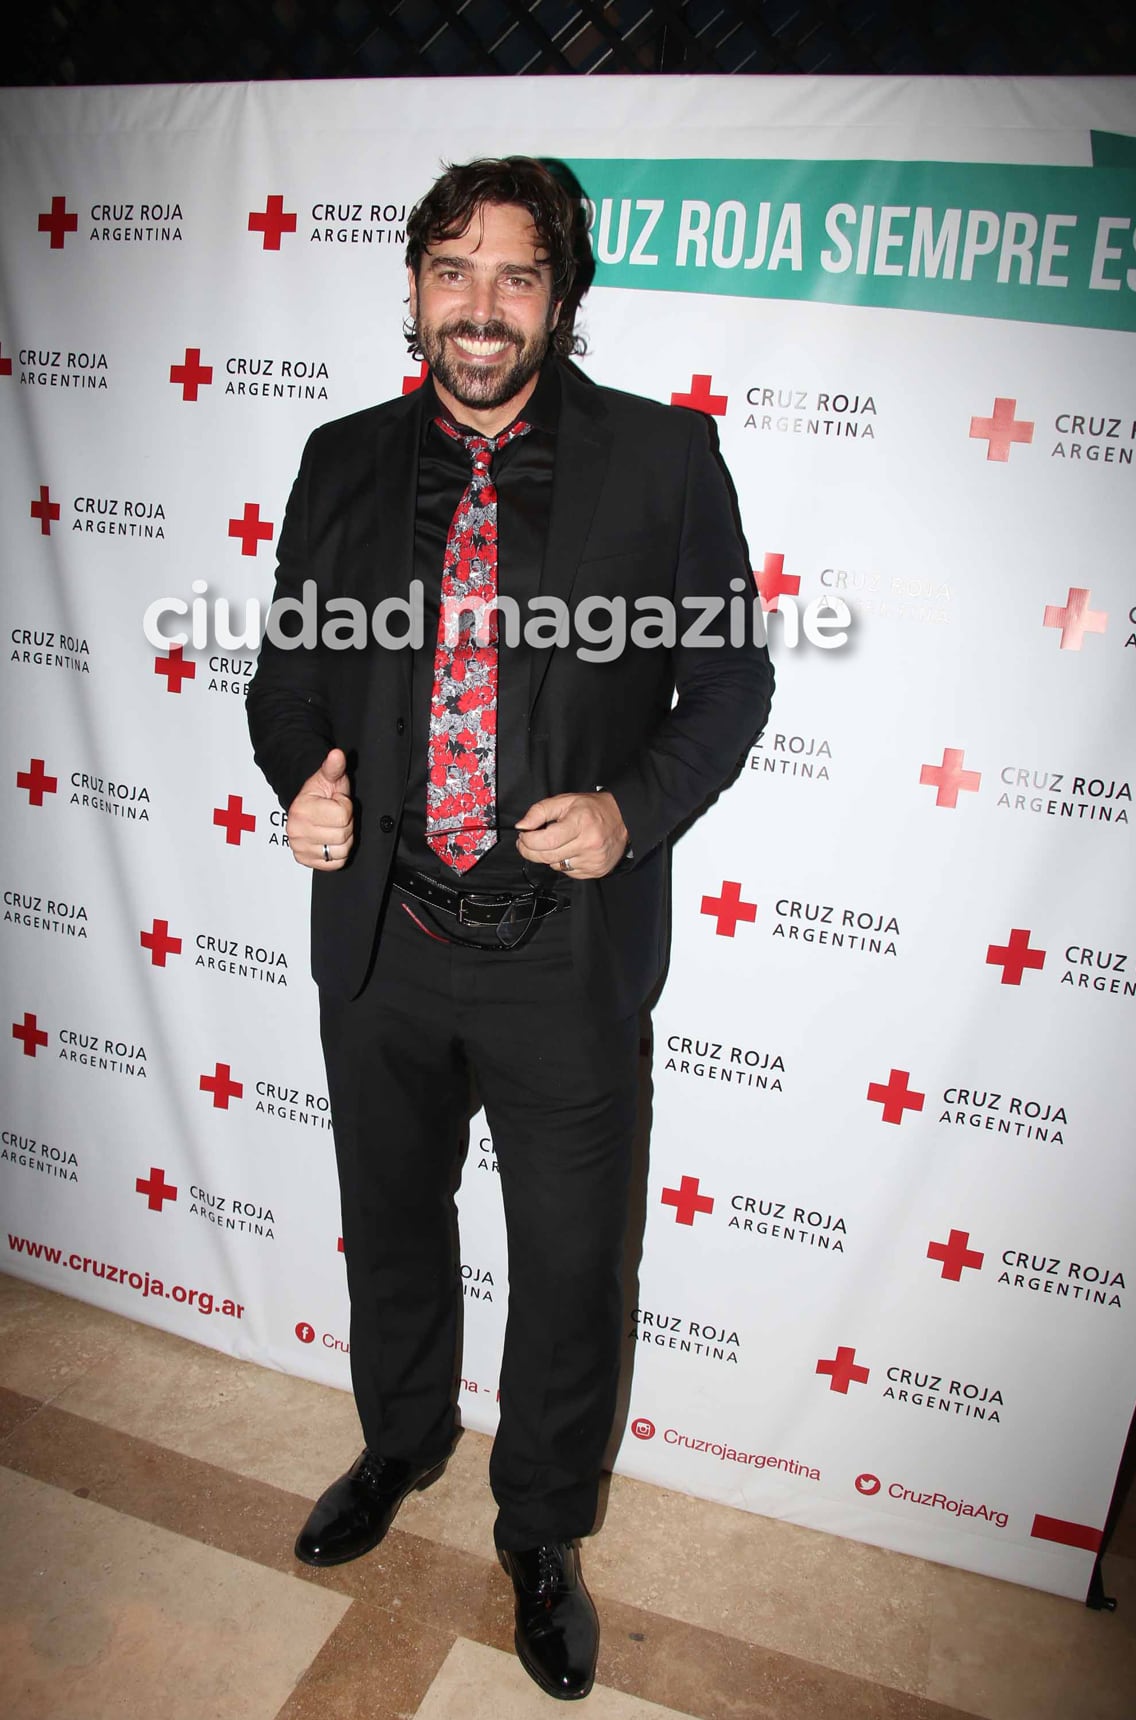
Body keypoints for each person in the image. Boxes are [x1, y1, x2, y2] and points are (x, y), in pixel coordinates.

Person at [247, 155, 773, 1702]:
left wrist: (630, 808)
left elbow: (732, 684)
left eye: (517, 274)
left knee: (568, 1265)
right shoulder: (338, 460)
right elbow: (287, 682)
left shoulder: (668, 462)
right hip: (387, 940)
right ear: (413, 288)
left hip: (565, 949)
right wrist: (307, 778)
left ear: (565, 295)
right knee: (395, 1224)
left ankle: (540, 1529)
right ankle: (400, 1442)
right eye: (454, 271)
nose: (482, 308)